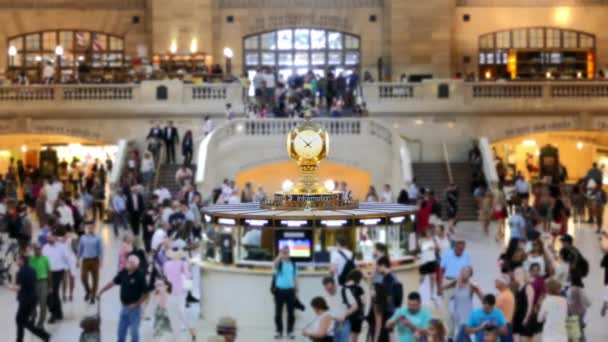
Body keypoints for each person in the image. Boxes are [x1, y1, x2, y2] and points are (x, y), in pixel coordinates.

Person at [98, 255, 149, 342]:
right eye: (128, 261)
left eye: (130, 262)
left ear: (135, 265)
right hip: (124, 307)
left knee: (134, 332)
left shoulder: (140, 275)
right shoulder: (124, 272)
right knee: (121, 331)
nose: (127, 263)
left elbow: (146, 293)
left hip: (135, 310)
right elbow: (113, 282)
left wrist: (137, 304)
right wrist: (102, 290)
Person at [8, 254, 51, 342]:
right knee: (22, 320)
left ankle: (44, 335)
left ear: (22, 261)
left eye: (17, 259)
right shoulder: (32, 270)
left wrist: (8, 284)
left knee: (21, 320)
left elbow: (17, 287)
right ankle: (43, 336)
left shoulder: (21, 272)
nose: (16, 261)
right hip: (32, 298)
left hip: (25, 299)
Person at [163, 241, 196, 340]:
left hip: (170, 292)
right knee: (181, 313)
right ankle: (190, 329)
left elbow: (165, 275)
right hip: (181, 292)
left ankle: (177, 337)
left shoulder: (166, 264)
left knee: (173, 316)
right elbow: (189, 276)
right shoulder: (183, 263)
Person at [440, 241, 471, 338]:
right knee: (448, 312)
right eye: (459, 249)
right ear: (455, 247)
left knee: (461, 312)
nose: (461, 251)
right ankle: (450, 335)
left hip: (461, 284)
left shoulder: (467, 255)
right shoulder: (447, 254)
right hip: (448, 281)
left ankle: (462, 335)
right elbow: (442, 269)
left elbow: (469, 270)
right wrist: (440, 285)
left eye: (462, 249)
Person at [444, 266, 482, 341]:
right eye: (462, 271)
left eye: (466, 271)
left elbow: (483, 298)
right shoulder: (456, 282)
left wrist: (478, 289)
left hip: (466, 315)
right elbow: (443, 288)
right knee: (465, 336)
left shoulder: (472, 285)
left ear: (470, 275)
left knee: (460, 336)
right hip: (456, 314)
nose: (464, 273)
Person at [42, 233, 70, 323]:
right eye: (48, 237)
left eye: (51, 237)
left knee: (53, 291)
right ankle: (59, 313)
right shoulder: (45, 247)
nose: (49, 238)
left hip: (58, 272)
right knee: (53, 293)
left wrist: (68, 270)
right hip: (47, 273)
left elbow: (67, 258)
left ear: (55, 237)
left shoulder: (61, 247)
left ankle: (53, 314)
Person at [322, 276, 359, 342]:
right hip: (331, 324)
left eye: (330, 289)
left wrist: (344, 315)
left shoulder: (344, 290)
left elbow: (355, 306)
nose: (329, 291)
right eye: (327, 289)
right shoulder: (325, 295)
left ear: (334, 285)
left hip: (342, 323)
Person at [273, 246, 298, 339]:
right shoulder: (279, 263)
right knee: (278, 313)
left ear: (289, 253)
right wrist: (279, 256)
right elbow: (274, 264)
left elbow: (295, 277)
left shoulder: (293, 264)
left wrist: (296, 290)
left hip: (290, 291)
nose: (285, 254)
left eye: (287, 252)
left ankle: (290, 331)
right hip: (279, 291)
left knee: (291, 313)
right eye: (284, 252)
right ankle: (279, 331)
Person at [28, 242, 52, 329]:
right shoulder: (31, 259)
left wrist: (50, 286)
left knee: (43, 304)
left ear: (41, 250)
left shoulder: (45, 259)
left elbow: (49, 273)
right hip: (33, 283)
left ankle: (41, 323)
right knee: (32, 304)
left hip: (43, 282)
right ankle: (33, 317)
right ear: (33, 250)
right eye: (36, 249)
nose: (37, 250)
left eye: (39, 249)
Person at [78, 222, 103, 305]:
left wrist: (101, 261)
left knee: (95, 279)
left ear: (94, 228)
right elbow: (80, 249)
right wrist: (78, 259)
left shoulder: (98, 238)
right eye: (89, 227)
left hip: (95, 259)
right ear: (87, 228)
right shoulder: (83, 238)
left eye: (92, 227)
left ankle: (93, 295)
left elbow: (100, 251)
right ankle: (88, 291)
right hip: (85, 260)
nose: (90, 229)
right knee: (83, 277)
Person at [512, 267, 536, 342]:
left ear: (523, 275)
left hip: (525, 317)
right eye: (515, 274)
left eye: (517, 274)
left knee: (524, 339)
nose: (515, 276)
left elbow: (530, 305)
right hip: (516, 318)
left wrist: (526, 318)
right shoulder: (517, 288)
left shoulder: (528, 287)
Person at [418, 228, 439, 300]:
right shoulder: (421, 240)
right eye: (427, 232)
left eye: (430, 232)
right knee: (422, 278)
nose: (428, 233)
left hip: (431, 260)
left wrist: (433, 246)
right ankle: (418, 291)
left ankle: (432, 294)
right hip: (424, 261)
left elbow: (437, 248)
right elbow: (422, 248)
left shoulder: (433, 240)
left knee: (432, 277)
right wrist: (429, 247)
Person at [495, 275, 515, 342]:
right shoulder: (507, 294)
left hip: (503, 326)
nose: (495, 281)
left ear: (503, 283)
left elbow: (492, 310)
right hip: (506, 325)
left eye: (497, 280)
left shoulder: (504, 296)